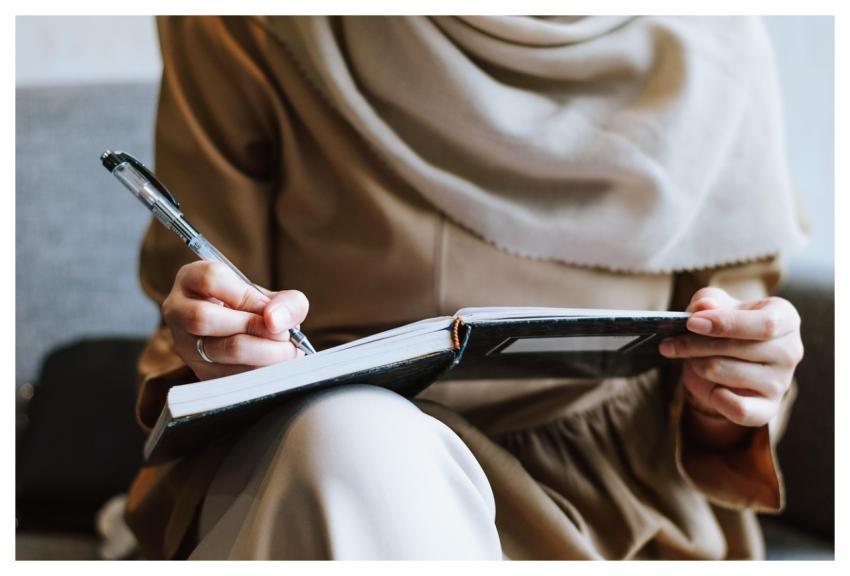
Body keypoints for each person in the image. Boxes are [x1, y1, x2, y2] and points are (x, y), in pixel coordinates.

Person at [124, 16, 808, 560]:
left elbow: (732, 364)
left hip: (609, 510)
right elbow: (196, 319)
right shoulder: (246, 25)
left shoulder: (718, 44)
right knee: (358, 441)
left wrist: (736, 384)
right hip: (314, 464)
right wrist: (224, 348)